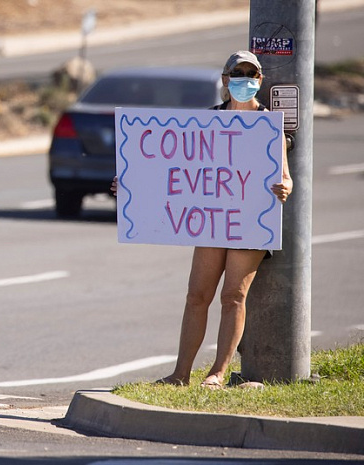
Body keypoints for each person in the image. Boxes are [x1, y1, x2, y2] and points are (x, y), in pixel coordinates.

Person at [111, 51, 293, 389]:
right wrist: (129, 182)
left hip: (249, 221)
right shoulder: (208, 122)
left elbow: (284, 175)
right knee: (197, 295)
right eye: (237, 72)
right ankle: (180, 374)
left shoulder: (270, 125)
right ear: (225, 80)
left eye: (251, 73)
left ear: (260, 79)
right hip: (212, 221)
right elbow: (168, 168)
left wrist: (284, 187)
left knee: (233, 296)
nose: (244, 79)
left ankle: (218, 373)